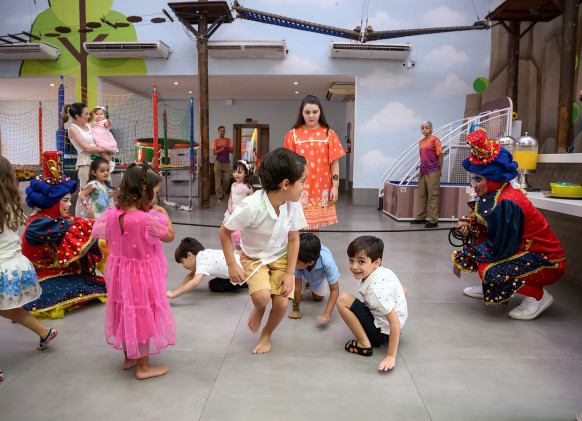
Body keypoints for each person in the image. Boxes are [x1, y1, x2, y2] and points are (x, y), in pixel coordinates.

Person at [452, 129, 566, 320]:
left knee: (488, 270)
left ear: (493, 178)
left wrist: (465, 255)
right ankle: (496, 289)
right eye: (472, 178)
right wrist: (471, 223)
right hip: (524, 251)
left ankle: (538, 296)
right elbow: (489, 227)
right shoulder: (497, 193)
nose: (473, 184)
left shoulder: (507, 202)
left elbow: (500, 247)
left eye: (478, 179)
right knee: (481, 247)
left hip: (547, 261)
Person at [220, 147, 308, 354]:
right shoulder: (251, 206)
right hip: (254, 257)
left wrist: (289, 273)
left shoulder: (293, 205)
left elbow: (294, 238)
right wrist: (231, 264)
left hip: (280, 256)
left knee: (282, 303)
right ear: (285, 184)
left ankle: (266, 334)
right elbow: (224, 232)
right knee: (261, 298)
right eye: (302, 182)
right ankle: (259, 308)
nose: (304, 187)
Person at [92, 163, 175, 380]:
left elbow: (99, 232)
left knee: (125, 312)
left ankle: (129, 357)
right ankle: (144, 368)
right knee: (141, 316)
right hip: (140, 276)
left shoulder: (111, 214)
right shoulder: (147, 220)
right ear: (144, 191)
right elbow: (169, 236)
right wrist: (164, 213)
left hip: (119, 274)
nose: (156, 198)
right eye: (155, 192)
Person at [21, 151, 107, 319]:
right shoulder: (38, 224)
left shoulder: (57, 219)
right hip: (41, 275)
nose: (69, 205)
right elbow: (70, 226)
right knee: (73, 290)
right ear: (52, 203)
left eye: (69, 200)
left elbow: (75, 225)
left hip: (61, 270)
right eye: (65, 201)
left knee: (97, 284)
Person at [0, 155, 58, 382]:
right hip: (15, 265)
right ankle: (44, 332)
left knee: (7, 308)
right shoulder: (12, 202)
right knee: (7, 309)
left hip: (3, 266)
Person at [336, 236, 408, 372]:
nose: (354, 266)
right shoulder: (384, 271)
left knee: (343, 299)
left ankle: (364, 345)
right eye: (351, 260)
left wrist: (391, 356)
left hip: (381, 333)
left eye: (361, 261)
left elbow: (395, 323)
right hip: (388, 325)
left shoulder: (376, 290)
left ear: (376, 262)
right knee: (400, 290)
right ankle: (389, 334)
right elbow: (404, 292)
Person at [284, 94, 345, 231]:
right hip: (298, 187)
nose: (311, 116)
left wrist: (335, 186)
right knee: (296, 228)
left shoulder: (329, 134)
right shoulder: (292, 134)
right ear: (302, 113)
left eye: (315, 112)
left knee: (313, 229)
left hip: (321, 188)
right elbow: (287, 164)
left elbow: (334, 162)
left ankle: (312, 247)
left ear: (320, 112)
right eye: (307, 112)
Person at [62, 102, 107, 217]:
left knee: (100, 190)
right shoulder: (72, 129)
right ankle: (81, 220)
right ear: (77, 116)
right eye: (86, 114)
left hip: (98, 160)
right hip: (86, 162)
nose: (89, 116)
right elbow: (87, 148)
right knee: (85, 192)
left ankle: (98, 218)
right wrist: (105, 149)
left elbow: (102, 135)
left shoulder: (89, 126)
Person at [166, 237, 246, 299]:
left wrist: (174, 294)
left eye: (182, 262)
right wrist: (178, 290)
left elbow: (195, 282)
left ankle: (247, 283)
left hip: (243, 275)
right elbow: (191, 276)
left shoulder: (202, 262)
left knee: (212, 285)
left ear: (190, 255)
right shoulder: (205, 253)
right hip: (244, 263)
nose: (183, 266)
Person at [288, 233, 340, 323]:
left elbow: (335, 290)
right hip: (303, 274)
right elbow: (297, 286)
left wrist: (327, 314)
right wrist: (296, 309)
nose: (293, 262)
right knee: (294, 295)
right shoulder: (298, 259)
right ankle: (306, 283)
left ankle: (310, 284)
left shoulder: (327, 262)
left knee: (318, 298)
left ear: (310, 262)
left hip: (318, 277)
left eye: (296, 261)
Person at [411, 121, 443, 229]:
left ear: (431, 129)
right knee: (422, 195)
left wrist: (440, 169)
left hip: (433, 171)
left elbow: (440, 156)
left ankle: (434, 220)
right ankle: (421, 217)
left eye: (426, 127)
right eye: (422, 128)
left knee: (433, 195)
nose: (424, 129)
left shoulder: (435, 140)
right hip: (423, 171)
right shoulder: (420, 142)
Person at [224, 160, 253, 251]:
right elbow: (230, 198)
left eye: (239, 172)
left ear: (246, 173)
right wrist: (229, 207)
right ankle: (237, 251)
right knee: (234, 234)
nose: (236, 174)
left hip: (242, 215)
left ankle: (243, 252)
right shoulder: (233, 185)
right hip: (233, 213)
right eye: (234, 171)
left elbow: (252, 202)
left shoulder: (248, 187)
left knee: (242, 235)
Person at [89, 106, 118, 172]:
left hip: (104, 140)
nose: (99, 115)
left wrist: (109, 123)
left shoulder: (103, 122)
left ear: (104, 116)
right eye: (97, 114)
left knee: (103, 153)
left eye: (101, 114)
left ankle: (110, 163)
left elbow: (106, 125)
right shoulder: (94, 124)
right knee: (100, 153)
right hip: (98, 141)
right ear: (93, 116)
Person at [212, 125, 233, 201]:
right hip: (218, 162)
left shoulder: (228, 140)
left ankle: (223, 192)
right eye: (221, 131)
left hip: (226, 162)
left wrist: (228, 148)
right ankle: (219, 196)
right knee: (217, 180)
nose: (222, 132)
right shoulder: (215, 141)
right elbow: (214, 153)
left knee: (227, 179)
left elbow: (232, 151)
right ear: (218, 132)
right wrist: (222, 149)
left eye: (223, 131)